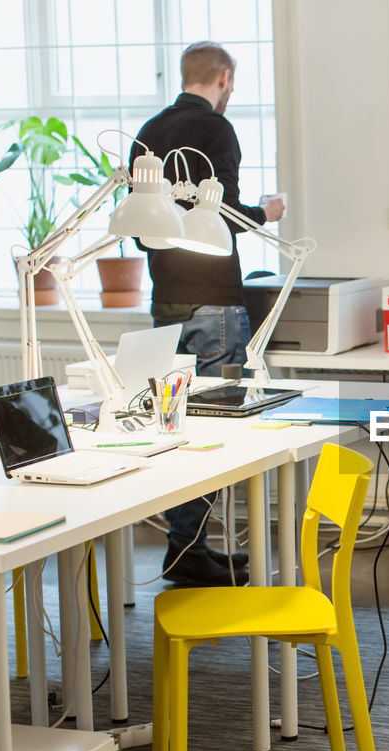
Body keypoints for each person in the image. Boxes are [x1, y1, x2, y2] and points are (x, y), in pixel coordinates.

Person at [130, 41, 285, 587]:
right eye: (232, 84)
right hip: (214, 302)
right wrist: (266, 213)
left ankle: (188, 546)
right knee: (216, 432)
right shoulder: (218, 131)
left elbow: (145, 223)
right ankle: (187, 550)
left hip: (165, 299)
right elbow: (223, 215)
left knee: (177, 427)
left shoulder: (147, 133)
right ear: (222, 78)